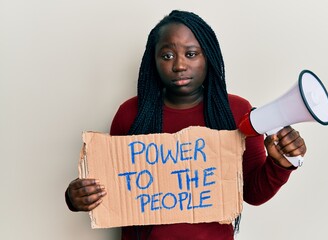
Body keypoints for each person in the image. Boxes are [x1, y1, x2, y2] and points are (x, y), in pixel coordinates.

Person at [65, 10, 306, 240]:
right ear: (154, 61)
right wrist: (76, 197)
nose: (179, 65)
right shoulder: (131, 114)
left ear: (208, 56)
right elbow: (109, 190)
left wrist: (280, 164)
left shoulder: (237, 112)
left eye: (191, 54)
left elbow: (253, 193)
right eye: (167, 55)